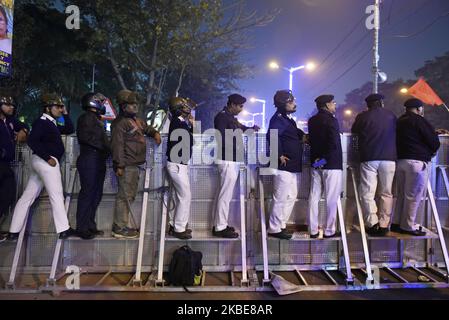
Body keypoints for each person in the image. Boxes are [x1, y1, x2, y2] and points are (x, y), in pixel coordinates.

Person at [7, 93, 77, 241]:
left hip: (41, 163)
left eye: (60, 107)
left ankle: (13, 230)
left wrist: (65, 113)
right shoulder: (42, 122)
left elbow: (69, 129)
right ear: (48, 108)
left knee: (28, 196)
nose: (60, 109)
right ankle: (64, 229)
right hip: (46, 162)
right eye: (57, 107)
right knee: (56, 195)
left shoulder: (51, 122)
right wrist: (48, 158)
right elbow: (32, 141)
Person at [111, 89, 161, 239]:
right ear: (123, 106)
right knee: (124, 196)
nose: (135, 106)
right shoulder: (120, 123)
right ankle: (119, 227)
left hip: (134, 165)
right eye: (132, 104)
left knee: (129, 195)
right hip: (127, 166)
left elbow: (146, 128)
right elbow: (117, 145)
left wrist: (154, 133)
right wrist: (119, 165)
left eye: (135, 104)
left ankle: (121, 225)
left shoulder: (135, 121)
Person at [213, 94, 259, 238]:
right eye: (240, 106)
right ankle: (219, 227)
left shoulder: (231, 118)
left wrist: (251, 129)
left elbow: (240, 128)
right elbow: (221, 137)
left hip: (232, 159)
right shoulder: (222, 117)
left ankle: (221, 224)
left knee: (225, 194)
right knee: (225, 195)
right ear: (232, 104)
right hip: (227, 159)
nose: (241, 109)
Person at [392, 98, 440, 236]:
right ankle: (408, 226)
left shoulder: (399, 121)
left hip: (400, 161)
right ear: (419, 109)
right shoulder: (419, 120)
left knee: (401, 194)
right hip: (417, 162)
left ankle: (396, 223)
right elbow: (433, 141)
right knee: (413, 196)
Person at [351, 94, 397, 236]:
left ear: (368, 105)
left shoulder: (362, 117)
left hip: (369, 158)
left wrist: (357, 152)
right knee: (386, 193)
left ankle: (372, 223)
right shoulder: (391, 116)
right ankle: (384, 224)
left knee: (367, 192)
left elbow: (354, 133)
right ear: (381, 103)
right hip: (389, 158)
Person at [266, 90, 305, 240]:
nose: (294, 104)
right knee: (280, 197)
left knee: (291, 195)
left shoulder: (288, 120)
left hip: (293, 165)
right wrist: (279, 154)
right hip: (284, 165)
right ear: (283, 104)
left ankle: (281, 224)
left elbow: (294, 133)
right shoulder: (278, 119)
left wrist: (303, 136)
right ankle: (274, 228)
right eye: (291, 102)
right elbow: (271, 136)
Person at [75, 92, 111, 240]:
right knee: (88, 193)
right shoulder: (86, 118)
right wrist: (105, 148)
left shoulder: (95, 119)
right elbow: (85, 138)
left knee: (95, 195)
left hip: (97, 159)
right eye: (100, 102)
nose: (103, 105)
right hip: (90, 158)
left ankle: (89, 225)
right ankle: (82, 228)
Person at [307, 94, 343, 238]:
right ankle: (329, 230)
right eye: (333, 103)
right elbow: (333, 144)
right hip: (331, 164)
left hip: (316, 163)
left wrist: (318, 162)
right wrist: (324, 160)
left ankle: (313, 230)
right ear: (327, 105)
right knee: (331, 199)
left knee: (314, 196)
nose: (335, 105)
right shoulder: (332, 121)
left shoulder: (312, 121)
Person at [166, 97, 196, 240]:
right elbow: (191, 140)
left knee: (182, 197)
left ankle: (175, 225)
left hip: (179, 164)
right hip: (177, 164)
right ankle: (179, 228)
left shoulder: (180, 121)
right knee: (185, 196)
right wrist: (192, 125)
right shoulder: (178, 122)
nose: (187, 108)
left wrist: (190, 124)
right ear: (178, 108)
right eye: (184, 106)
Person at [0, 93, 28, 243]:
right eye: (8, 105)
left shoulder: (9, 121)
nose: (11, 107)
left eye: (12, 105)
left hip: (6, 164)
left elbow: (24, 125)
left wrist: (23, 131)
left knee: (8, 194)